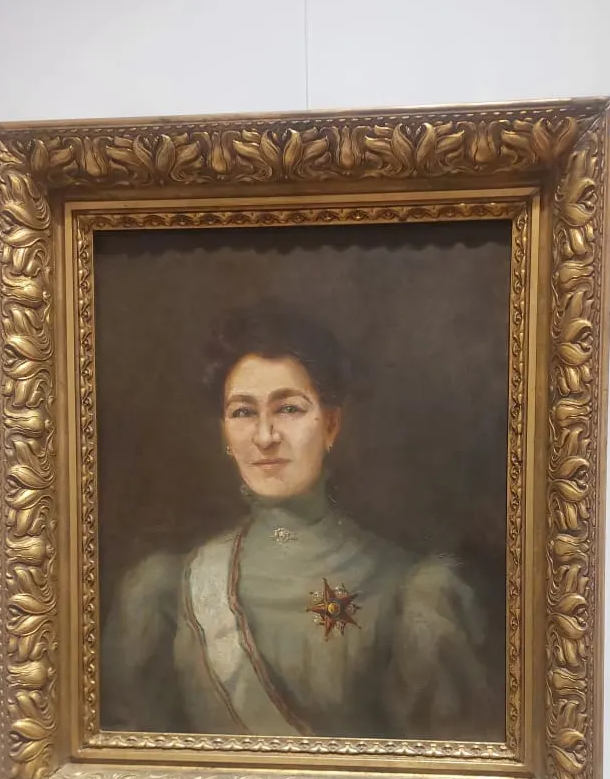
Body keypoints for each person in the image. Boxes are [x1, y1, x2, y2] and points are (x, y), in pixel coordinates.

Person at [101, 303, 490, 740]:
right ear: (225, 434)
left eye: (288, 408)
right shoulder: (166, 591)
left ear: (331, 425)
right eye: (243, 412)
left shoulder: (413, 593)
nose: (265, 436)